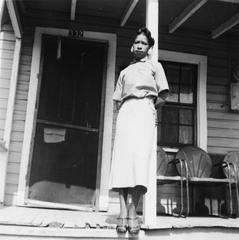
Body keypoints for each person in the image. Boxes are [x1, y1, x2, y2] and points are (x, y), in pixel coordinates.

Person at [109, 27, 169, 235]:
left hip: (145, 111)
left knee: (139, 161)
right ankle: (122, 211)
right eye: (136, 43)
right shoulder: (125, 71)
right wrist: (123, 112)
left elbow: (163, 94)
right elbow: (117, 100)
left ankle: (134, 210)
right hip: (127, 112)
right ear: (131, 46)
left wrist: (151, 107)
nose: (139, 46)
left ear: (149, 48)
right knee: (123, 161)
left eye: (143, 43)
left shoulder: (155, 67)